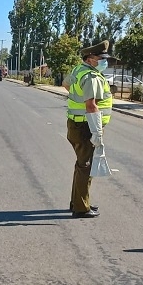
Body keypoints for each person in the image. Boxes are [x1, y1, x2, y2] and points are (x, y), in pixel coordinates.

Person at [62, 40, 113, 218]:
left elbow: (66, 84)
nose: (104, 62)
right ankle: (81, 208)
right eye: (101, 58)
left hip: (76, 124)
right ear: (90, 59)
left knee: (81, 165)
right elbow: (91, 106)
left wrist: (77, 96)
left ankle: (78, 201)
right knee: (86, 166)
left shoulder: (79, 70)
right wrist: (97, 132)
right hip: (86, 127)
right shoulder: (92, 77)